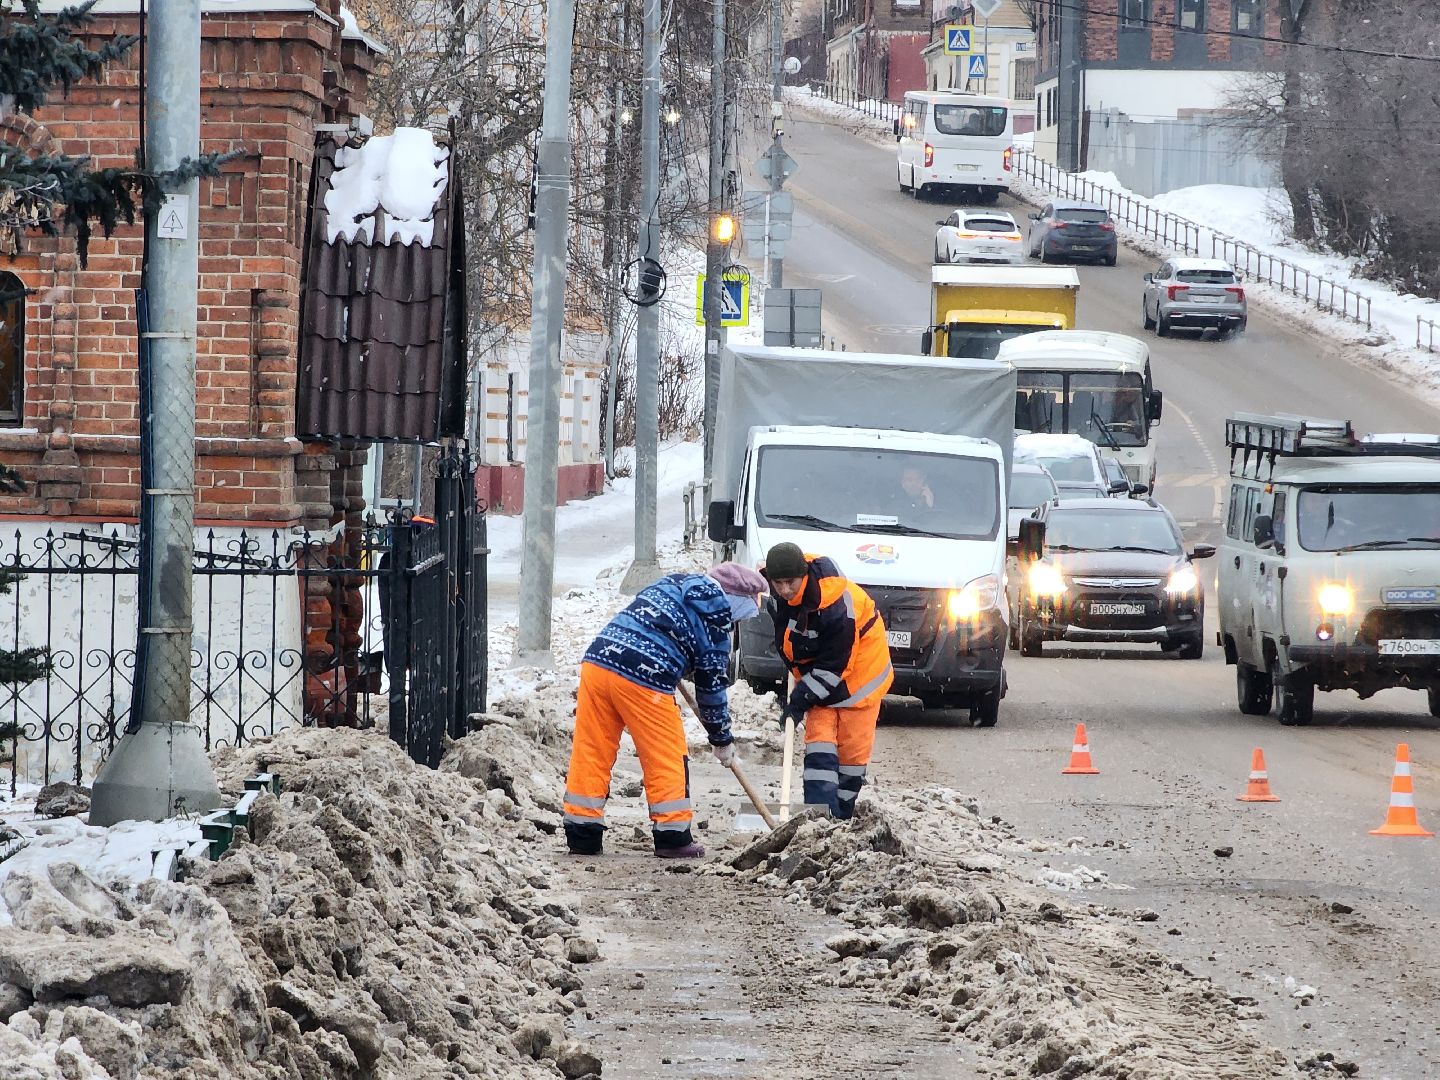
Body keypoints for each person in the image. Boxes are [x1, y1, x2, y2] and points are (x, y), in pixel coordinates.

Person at [562, 562, 768, 859]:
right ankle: (673, 836)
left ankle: (582, 835)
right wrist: (721, 741)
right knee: (665, 753)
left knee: (592, 749)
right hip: (644, 679)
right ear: (735, 601)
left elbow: (650, 618)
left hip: (598, 661)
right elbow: (711, 693)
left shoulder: (673, 583)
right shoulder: (716, 627)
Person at [763, 542, 893, 820]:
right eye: (778, 583)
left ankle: (842, 818)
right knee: (819, 752)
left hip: (861, 679)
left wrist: (800, 699)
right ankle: (819, 820)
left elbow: (836, 664)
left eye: (791, 582)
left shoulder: (837, 606)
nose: (785, 589)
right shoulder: (785, 599)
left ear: (804, 575)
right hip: (822, 679)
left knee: (850, 762)